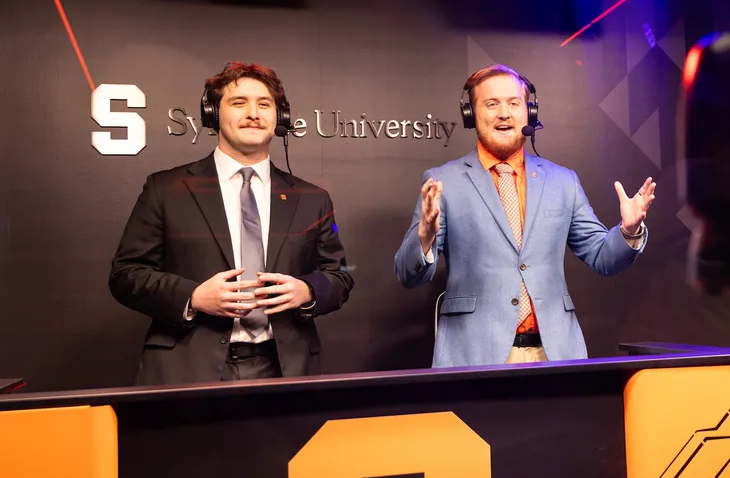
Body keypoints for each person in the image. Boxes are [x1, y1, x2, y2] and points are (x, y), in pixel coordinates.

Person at [394, 64, 656, 367]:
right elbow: (408, 275)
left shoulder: (563, 181)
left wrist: (628, 231)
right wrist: (424, 237)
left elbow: (603, 257)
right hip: (473, 355)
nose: (504, 113)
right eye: (492, 104)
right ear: (471, 115)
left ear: (529, 112)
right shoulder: (444, 182)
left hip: (556, 353)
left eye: (514, 103)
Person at [109, 62, 354, 385]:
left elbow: (339, 277)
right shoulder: (165, 189)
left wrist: (307, 290)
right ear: (212, 115)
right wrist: (193, 296)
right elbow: (126, 274)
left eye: (264, 104)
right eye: (239, 102)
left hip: (285, 369)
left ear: (279, 118)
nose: (253, 113)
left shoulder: (312, 198)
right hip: (188, 367)